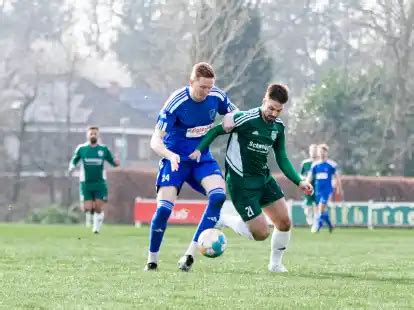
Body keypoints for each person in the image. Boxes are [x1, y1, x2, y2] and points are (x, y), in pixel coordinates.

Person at [189, 83, 313, 272]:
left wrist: (300, 181)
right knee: (261, 234)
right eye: (271, 108)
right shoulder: (245, 119)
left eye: (278, 110)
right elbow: (215, 131)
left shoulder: (278, 127)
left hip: (263, 180)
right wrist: (198, 150)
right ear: (264, 100)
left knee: (285, 222)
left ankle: (275, 264)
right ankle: (224, 219)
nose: (273, 113)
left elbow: (282, 157)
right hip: (241, 184)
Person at [145, 62, 237, 271]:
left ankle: (189, 255)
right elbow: (155, 141)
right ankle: (152, 260)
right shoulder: (176, 102)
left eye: (210, 86)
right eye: (202, 87)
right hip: (174, 160)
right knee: (163, 210)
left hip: (201, 159)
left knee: (218, 196)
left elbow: (234, 114)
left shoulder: (217, 96)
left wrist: (234, 119)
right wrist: (170, 155)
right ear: (191, 82)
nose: (207, 91)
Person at [68, 126, 120, 234]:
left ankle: (96, 228)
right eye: (91, 134)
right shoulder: (81, 149)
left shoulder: (103, 149)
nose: (93, 135)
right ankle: (97, 216)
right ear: (87, 135)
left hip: (99, 182)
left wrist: (116, 162)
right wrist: (72, 167)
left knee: (98, 206)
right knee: (87, 208)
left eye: (95, 134)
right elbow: (74, 160)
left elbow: (112, 161)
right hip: (86, 183)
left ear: (98, 135)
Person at [307, 144, 343, 233]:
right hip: (317, 190)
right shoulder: (315, 165)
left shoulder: (331, 164)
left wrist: (339, 188)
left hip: (327, 190)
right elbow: (310, 177)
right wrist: (306, 185)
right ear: (318, 153)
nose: (322, 153)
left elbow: (337, 177)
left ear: (327, 153)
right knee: (320, 209)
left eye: (324, 152)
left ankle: (317, 225)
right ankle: (330, 224)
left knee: (321, 208)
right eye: (320, 152)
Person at [300, 144, 319, 226]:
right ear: (310, 152)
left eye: (315, 151)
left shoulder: (320, 163)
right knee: (308, 203)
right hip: (308, 187)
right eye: (312, 151)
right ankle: (310, 220)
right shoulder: (305, 163)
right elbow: (300, 175)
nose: (314, 153)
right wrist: (305, 179)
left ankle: (317, 220)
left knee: (318, 203)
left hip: (318, 186)